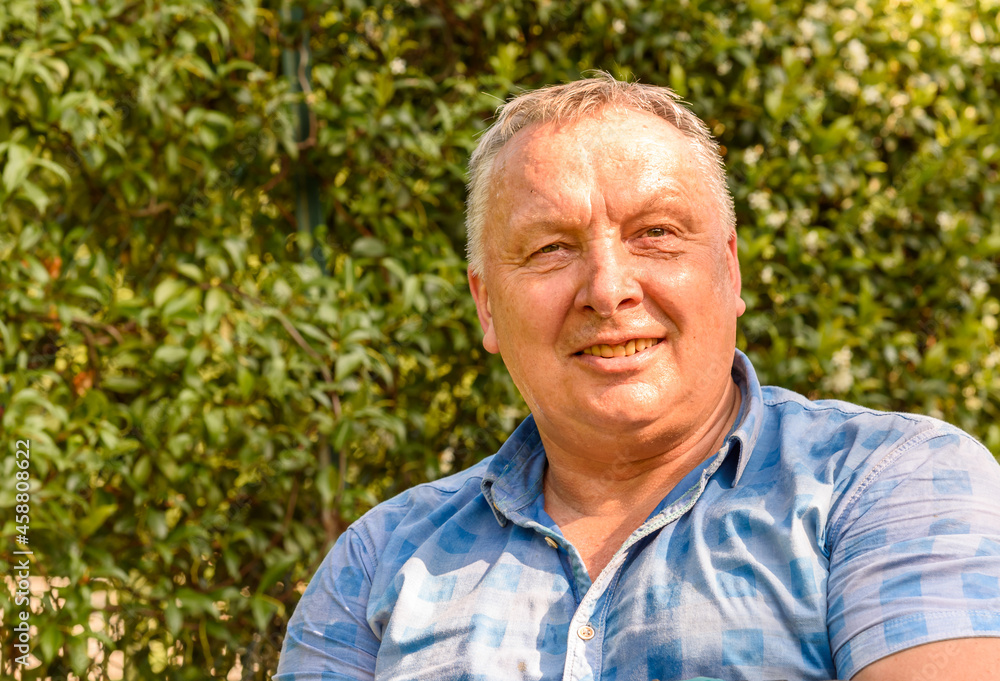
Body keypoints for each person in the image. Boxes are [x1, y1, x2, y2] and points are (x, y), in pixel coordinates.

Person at [275, 73, 1000, 680]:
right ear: (486, 306)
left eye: (656, 232)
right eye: (553, 247)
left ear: (729, 268)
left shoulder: (891, 486)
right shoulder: (380, 561)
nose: (609, 288)